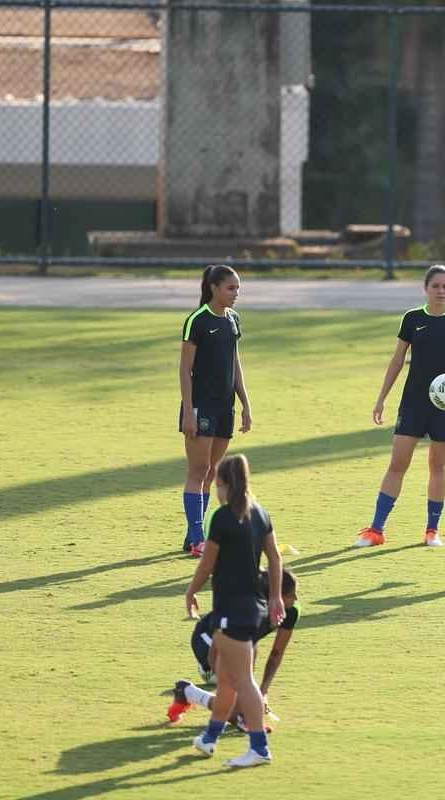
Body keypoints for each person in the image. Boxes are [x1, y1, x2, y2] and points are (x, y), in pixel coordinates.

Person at [356, 265, 445, 548]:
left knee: (437, 465)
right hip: (414, 401)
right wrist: (381, 398)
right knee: (397, 463)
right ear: (425, 288)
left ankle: (432, 530)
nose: (441, 291)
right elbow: (397, 360)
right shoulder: (412, 319)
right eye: (436, 286)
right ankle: (376, 530)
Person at [183, 454, 283, 768]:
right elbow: (276, 559)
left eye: (216, 482)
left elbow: (207, 563)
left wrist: (191, 590)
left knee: (243, 681)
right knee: (226, 680)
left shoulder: (223, 518)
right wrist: (276, 598)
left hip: (232, 611)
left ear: (224, 484)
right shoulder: (261, 514)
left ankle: (259, 748)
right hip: (253, 608)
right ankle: (210, 738)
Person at [178, 265, 252, 557]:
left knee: (211, 472)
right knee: (197, 470)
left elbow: (235, 365)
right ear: (214, 288)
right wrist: (188, 411)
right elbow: (185, 369)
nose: (236, 294)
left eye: (238, 289)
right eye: (231, 288)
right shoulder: (197, 321)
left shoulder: (233, 320)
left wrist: (245, 403)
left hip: (225, 407)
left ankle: (194, 534)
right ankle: (198, 538)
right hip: (201, 406)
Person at [168, 568, 300, 730]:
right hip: (208, 640)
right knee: (236, 708)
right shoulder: (251, 609)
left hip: (241, 644)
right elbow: (217, 644)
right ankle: (196, 696)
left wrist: (263, 691)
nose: (296, 598)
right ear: (275, 596)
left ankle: (187, 692)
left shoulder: (291, 612)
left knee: (242, 705)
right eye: (290, 595)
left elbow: (276, 653)